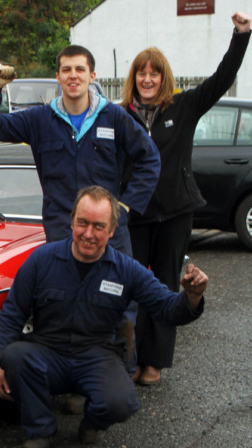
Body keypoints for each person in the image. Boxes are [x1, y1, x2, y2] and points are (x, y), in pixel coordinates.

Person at [0, 186, 208, 448]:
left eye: (98, 226)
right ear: (72, 222)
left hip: (96, 356)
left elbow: (167, 308)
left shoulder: (127, 270)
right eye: (82, 223)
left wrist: (191, 296)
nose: (88, 234)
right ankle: (39, 431)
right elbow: (12, 313)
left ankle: (93, 424)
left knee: (121, 402)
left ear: (112, 230)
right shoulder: (41, 260)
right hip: (48, 351)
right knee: (14, 357)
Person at [120, 11, 250, 386]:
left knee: (163, 284)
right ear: (134, 79)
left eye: (154, 73)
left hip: (176, 213)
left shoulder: (184, 107)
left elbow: (222, 78)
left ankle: (155, 362)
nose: (148, 79)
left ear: (164, 78)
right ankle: (129, 358)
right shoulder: (119, 116)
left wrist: (241, 35)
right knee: (131, 286)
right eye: (142, 73)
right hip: (136, 214)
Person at [0, 45, 161, 255]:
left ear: (92, 76)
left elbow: (150, 158)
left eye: (80, 69)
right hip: (61, 232)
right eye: (67, 70)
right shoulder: (40, 119)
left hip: (108, 233)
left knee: (114, 287)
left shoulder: (114, 117)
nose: (73, 76)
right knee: (65, 287)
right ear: (58, 77)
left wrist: (126, 206)